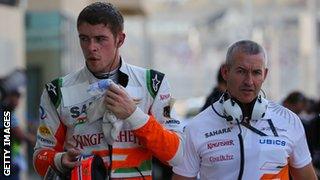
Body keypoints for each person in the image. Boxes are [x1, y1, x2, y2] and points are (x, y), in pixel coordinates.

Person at [33, 2, 183, 179]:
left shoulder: (153, 83)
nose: (91, 47)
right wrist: (60, 160)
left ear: (120, 39)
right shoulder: (57, 91)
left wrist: (134, 115)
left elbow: (177, 154)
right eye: (84, 39)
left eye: (100, 39)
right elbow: (40, 158)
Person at [172, 40, 317, 180]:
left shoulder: (289, 121)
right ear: (225, 72)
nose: (249, 81)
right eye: (241, 71)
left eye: (256, 73)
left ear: (265, 75)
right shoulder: (197, 127)